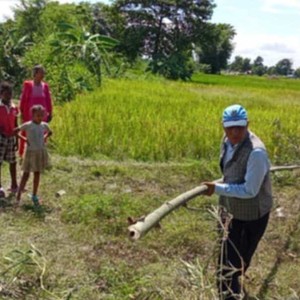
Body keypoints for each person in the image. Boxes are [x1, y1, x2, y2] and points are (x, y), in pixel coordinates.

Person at [203, 104, 273, 300]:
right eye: (230, 127)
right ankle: (229, 291)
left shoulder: (256, 152)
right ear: (223, 126)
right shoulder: (226, 141)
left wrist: (216, 188)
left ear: (247, 124)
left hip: (252, 214)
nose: (234, 132)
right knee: (226, 260)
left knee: (237, 262)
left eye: (240, 127)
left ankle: (230, 292)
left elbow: (250, 190)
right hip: (229, 208)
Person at [15, 105, 52, 206]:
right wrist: (25, 139)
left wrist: (44, 137)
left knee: (37, 173)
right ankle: (18, 195)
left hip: (40, 152)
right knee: (26, 174)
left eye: (42, 115)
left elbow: (50, 132)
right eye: (37, 115)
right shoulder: (28, 125)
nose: (40, 117)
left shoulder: (44, 125)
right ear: (33, 115)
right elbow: (16, 131)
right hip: (30, 152)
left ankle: (34, 195)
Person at [19, 65, 53, 157]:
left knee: (42, 131)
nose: (43, 74)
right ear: (35, 73)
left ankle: (41, 152)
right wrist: (21, 111)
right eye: (41, 72)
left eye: (43, 72)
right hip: (29, 113)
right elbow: (23, 99)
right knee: (26, 131)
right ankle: (23, 153)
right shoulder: (28, 84)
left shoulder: (45, 86)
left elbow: (48, 100)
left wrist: (50, 112)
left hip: (42, 113)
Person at [0, 81, 19, 197]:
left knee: (13, 161)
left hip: (11, 137)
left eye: (10, 93)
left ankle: (14, 184)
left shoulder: (14, 107)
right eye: (6, 94)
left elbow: (16, 124)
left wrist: (17, 139)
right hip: (1, 138)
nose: (9, 96)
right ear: (1, 94)